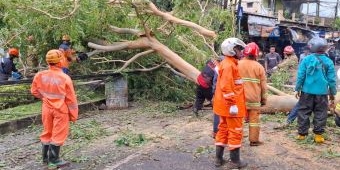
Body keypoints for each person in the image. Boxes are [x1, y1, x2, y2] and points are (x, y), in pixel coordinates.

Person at [31, 49, 79, 169]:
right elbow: (71, 100)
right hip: (60, 109)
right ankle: (54, 160)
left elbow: (34, 91)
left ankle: (45, 159)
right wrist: (73, 115)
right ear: (60, 61)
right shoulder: (65, 78)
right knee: (58, 134)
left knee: (47, 132)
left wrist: (45, 98)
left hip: (46, 107)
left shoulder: (40, 75)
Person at [295, 37, 336, 143]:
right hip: (322, 93)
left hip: (306, 92)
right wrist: (332, 93)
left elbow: (300, 76)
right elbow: (332, 81)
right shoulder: (329, 62)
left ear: (312, 46)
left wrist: (297, 89)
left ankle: (302, 134)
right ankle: (318, 136)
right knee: (321, 113)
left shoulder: (306, 59)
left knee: (303, 112)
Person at [213, 38, 247, 168]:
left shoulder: (229, 63)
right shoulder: (229, 65)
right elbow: (226, 87)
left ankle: (218, 159)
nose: (241, 51)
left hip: (224, 106)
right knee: (235, 131)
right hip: (231, 107)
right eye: (239, 49)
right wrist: (233, 104)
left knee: (223, 130)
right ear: (232, 50)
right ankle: (235, 161)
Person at [238, 42, 267, 146]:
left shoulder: (238, 64)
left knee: (238, 120)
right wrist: (264, 100)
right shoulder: (259, 67)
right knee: (254, 121)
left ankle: (237, 141)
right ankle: (254, 141)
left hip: (239, 98)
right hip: (254, 99)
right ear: (256, 54)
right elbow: (263, 87)